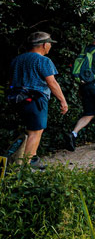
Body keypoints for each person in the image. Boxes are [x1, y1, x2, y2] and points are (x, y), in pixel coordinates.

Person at [8, 32, 68, 169]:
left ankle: (32, 161)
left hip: (17, 100)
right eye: (50, 43)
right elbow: (52, 82)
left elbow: (11, 81)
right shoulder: (43, 60)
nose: (51, 46)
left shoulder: (17, 59)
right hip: (35, 100)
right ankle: (25, 168)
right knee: (35, 132)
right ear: (44, 44)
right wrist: (63, 101)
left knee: (30, 131)